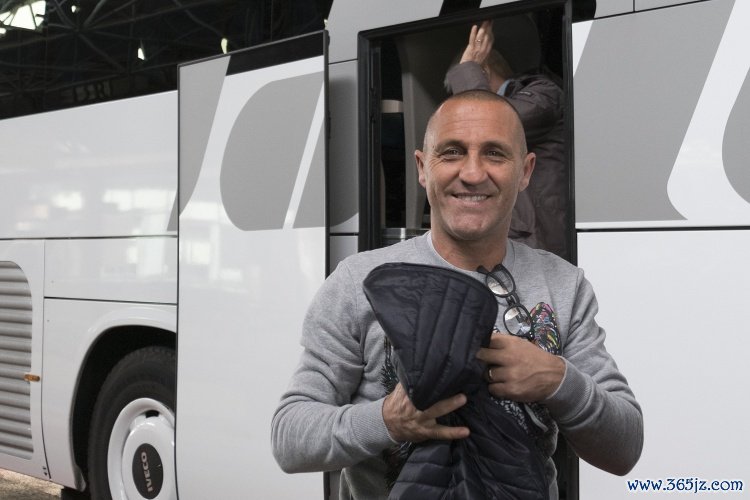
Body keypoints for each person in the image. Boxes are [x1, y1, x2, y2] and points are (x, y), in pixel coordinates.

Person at [271, 90, 643, 499]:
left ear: (525, 171)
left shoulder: (564, 284)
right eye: (451, 152)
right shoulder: (358, 282)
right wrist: (389, 419)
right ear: (422, 168)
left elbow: (624, 449)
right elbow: (289, 438)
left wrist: (557, 380)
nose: (472, 173)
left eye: (495, 154)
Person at [445, 20, 569, 260]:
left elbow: (490, 123)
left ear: (484, 71)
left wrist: (469, 68)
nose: (459, 102)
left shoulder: (543, 95)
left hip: (535, 240)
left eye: (460, 91)